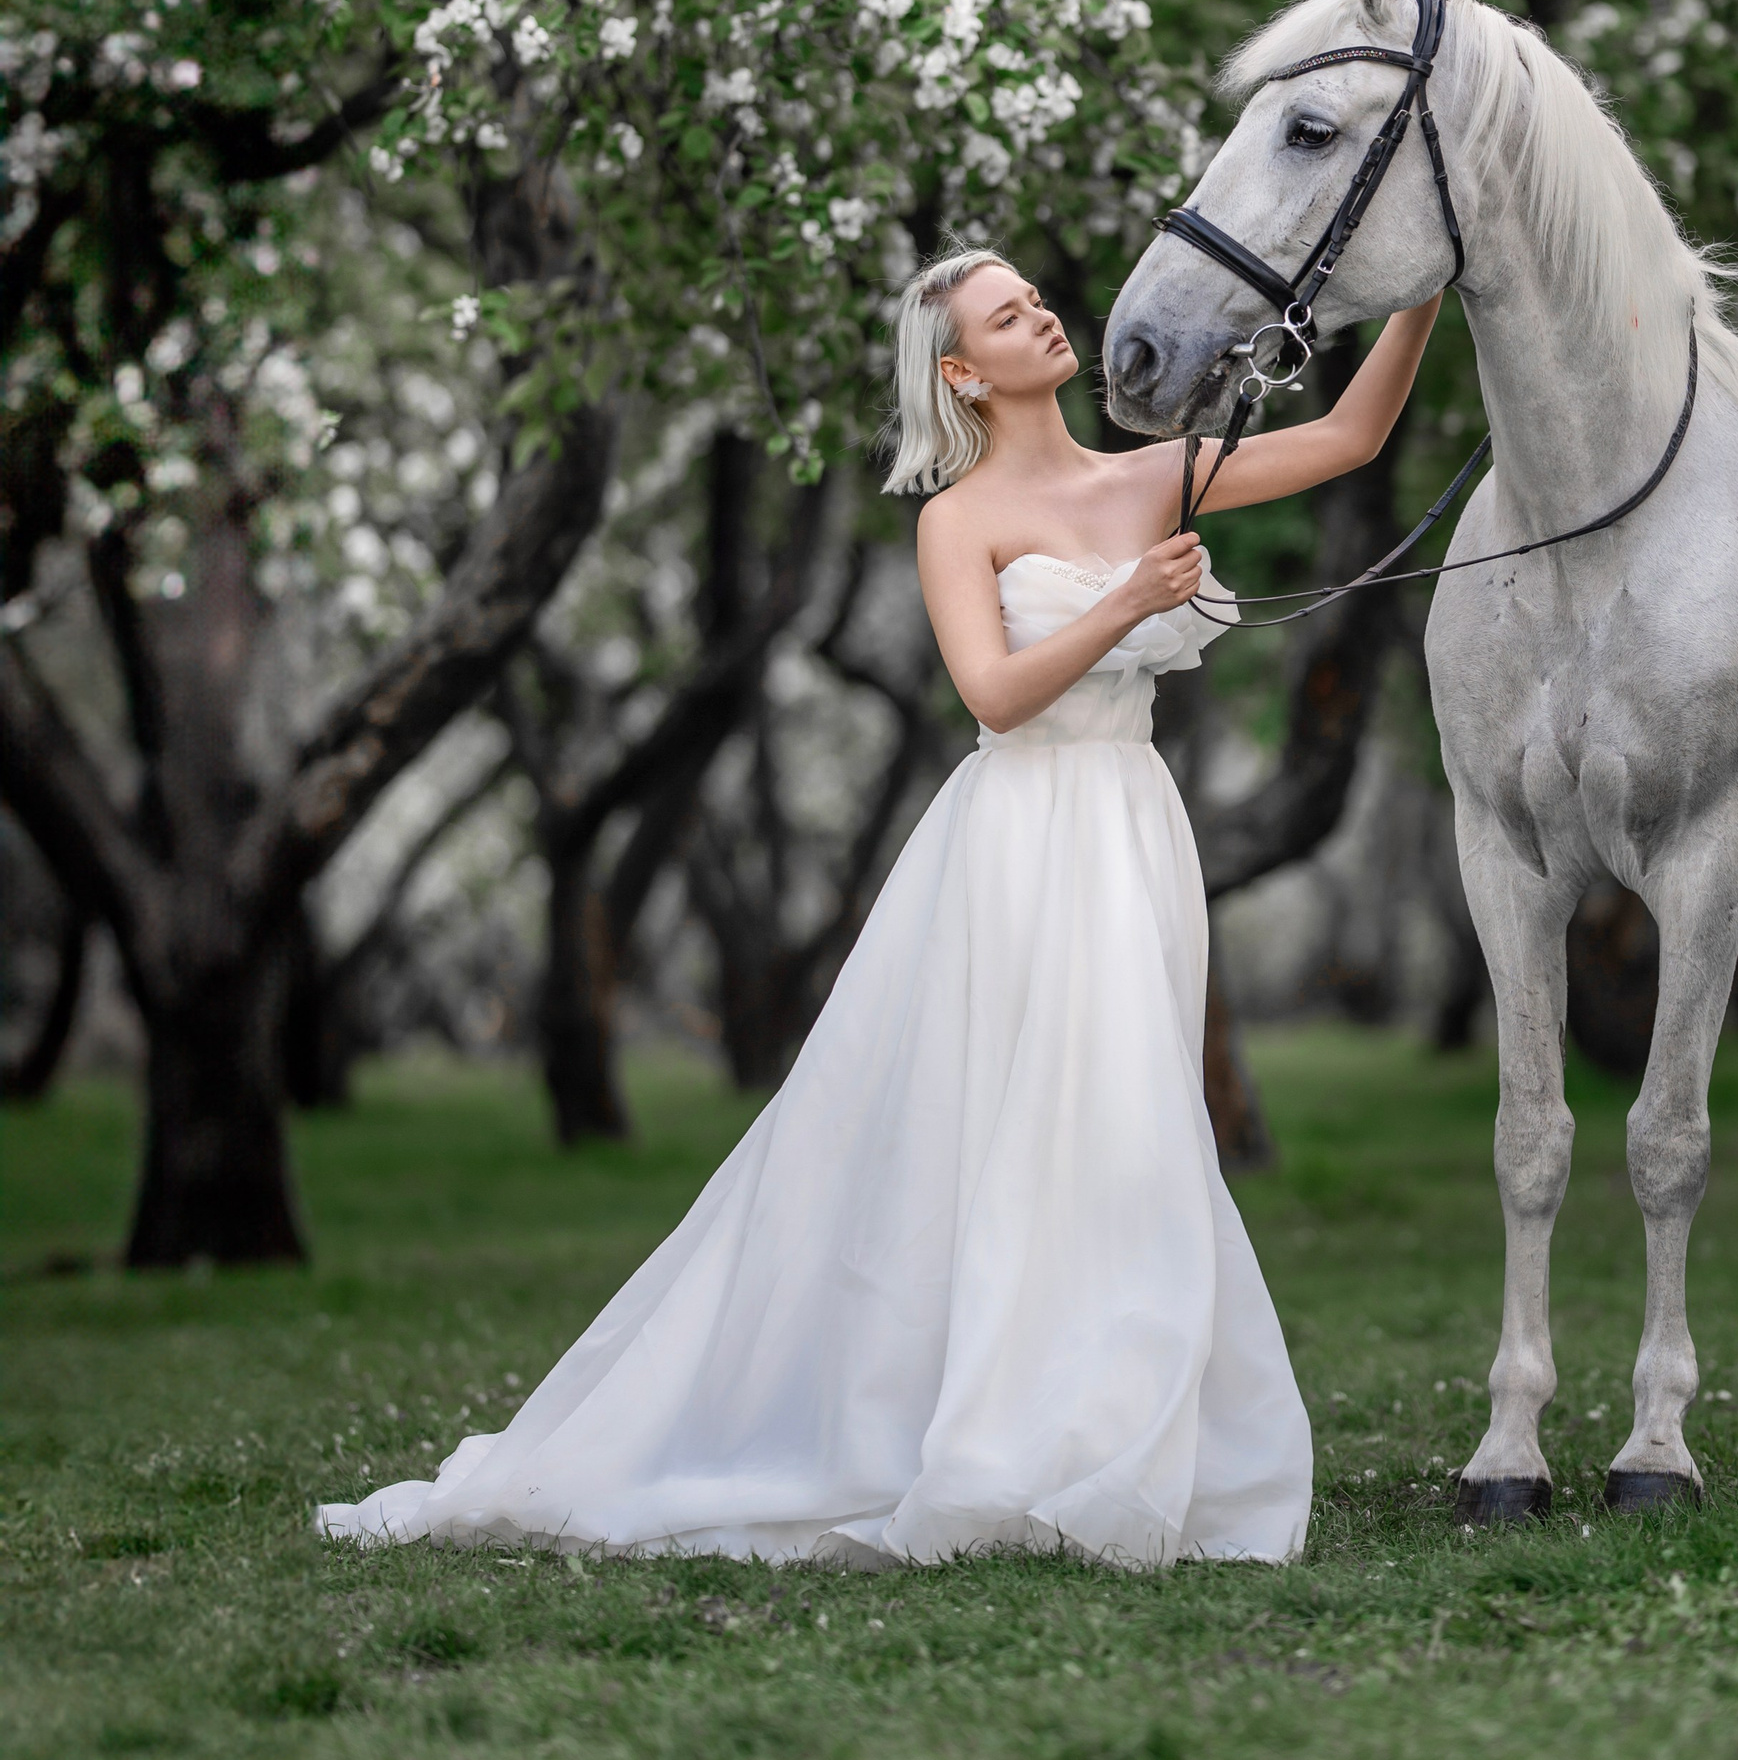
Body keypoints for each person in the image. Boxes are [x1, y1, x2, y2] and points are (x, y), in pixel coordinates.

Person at [316, 246, 1441, 1570]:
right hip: (1020, 837)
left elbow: (1354, 435)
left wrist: (1426, 282)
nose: (1044, 314)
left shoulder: (1160, 472)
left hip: (1132, 827)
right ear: (966, 371)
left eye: (1037, 297)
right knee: (1011, 1125)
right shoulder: (954, 521)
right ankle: (991, 1434)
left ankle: (1109, 1432)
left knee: (1134, 1120)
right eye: (1010, 314)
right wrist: (1132, 599)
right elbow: (993, 695)